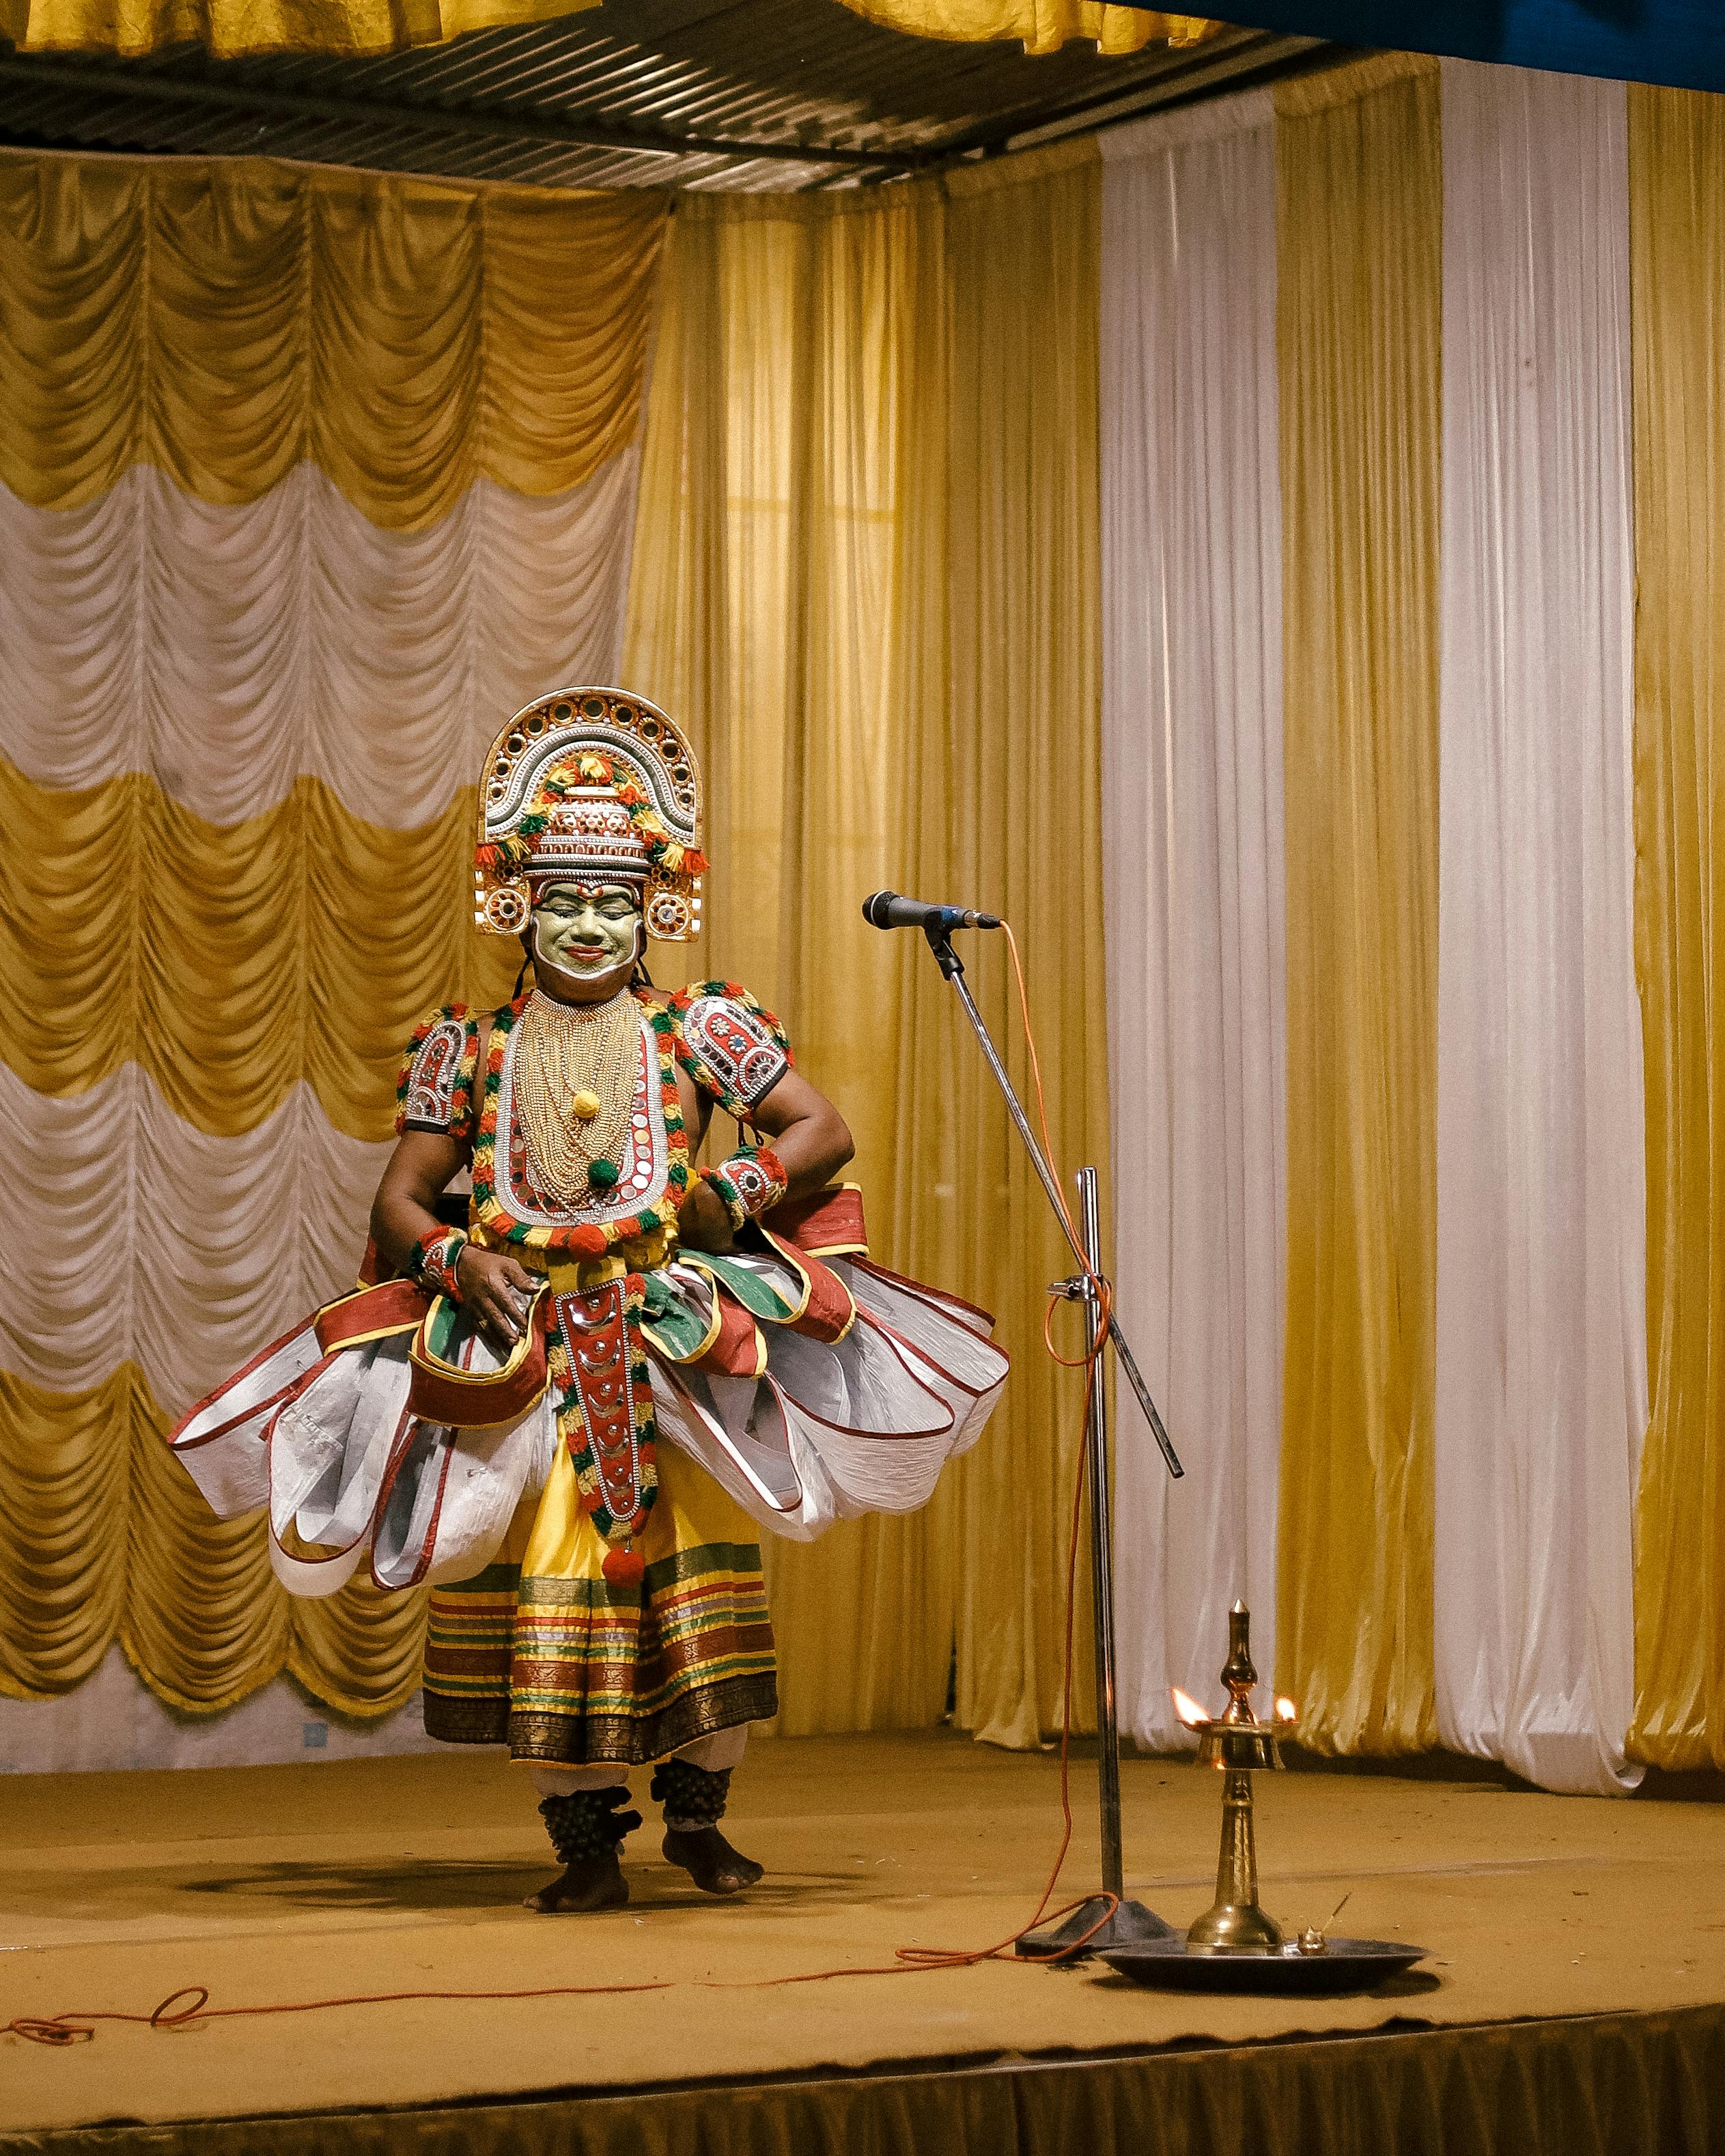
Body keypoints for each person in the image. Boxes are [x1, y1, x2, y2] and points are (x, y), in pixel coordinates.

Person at [170, 687, 1007, 1914]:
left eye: (614, 900)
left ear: (654, 905)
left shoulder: (698, 1026)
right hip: (531, 1354)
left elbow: (819, 1128)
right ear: (517, 904)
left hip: (675, 1348)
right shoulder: (471, 1045)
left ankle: (702, 1825)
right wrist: (457, 1260)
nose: (587, 923)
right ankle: (585, 1844)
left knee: (702, 1577)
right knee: (557, 1581)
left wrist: (734, 1185)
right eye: (562, 898)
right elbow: (398, 1204)